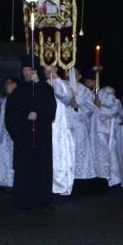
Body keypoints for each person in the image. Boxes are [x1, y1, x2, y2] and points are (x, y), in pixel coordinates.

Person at [5, 55, 57, 211]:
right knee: (24, 170)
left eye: (30, 70)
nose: (27, 73)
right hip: (24, 137)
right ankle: (24, 201)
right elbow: (10, 116)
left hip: (41, 137)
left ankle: (43, 201)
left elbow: (51, 110)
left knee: (42, 168)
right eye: (25, 70)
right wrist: (25, 118)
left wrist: (38, 85)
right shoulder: (18, 92)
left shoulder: (46, 89)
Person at [43, 64, 75, 197]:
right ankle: (45, 185)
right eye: (45, 68)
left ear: (56, 69)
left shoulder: (63, 84)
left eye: (50, 67)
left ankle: (59, 187)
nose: (47, 70)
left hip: (59, 125)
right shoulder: (42, 84)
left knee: (58, 155)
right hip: (45, 124)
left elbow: (67, 97)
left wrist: (55, 78)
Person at [94, 85, 123, 187]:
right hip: (99, 132)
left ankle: (114, 179)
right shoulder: (96, 98)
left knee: (111, 154)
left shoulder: (114, 102)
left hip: (108, 132)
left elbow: (113, 114)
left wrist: (100, 107)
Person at [67, 67, 97, 184]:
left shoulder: (85, 91)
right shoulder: (62, 87)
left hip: (78, 127)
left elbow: (90, 110)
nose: (71, 77)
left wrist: (76, 107)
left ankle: (80, 182)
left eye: (74, 74)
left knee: (79, 154)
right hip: (64, 128)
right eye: (69, 74)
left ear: (79, 76)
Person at [0, 77, 18, 189]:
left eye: (9, 83)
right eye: (6, 83)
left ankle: (11, 182)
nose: (6, 86)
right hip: (1, 134)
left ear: (15, 85)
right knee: (1, 157)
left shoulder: (18, 99)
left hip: (13, 134)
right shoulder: (3, 100)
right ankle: (0, 182)